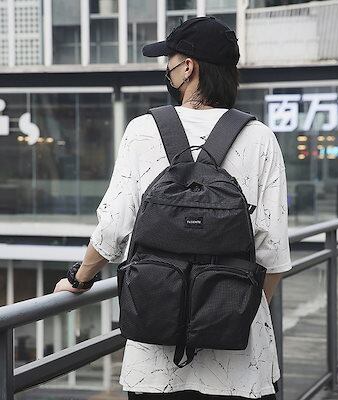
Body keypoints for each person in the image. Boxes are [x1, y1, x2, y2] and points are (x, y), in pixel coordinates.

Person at [54, 16, 292, 400]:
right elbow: (273, 251)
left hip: (155, 360)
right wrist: (232, 312)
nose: (166, 69)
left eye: (170, 61)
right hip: (239, 362)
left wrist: (79, 280)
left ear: (188, 67)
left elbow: (114, 226)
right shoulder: (260, 138)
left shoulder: (143, 130)